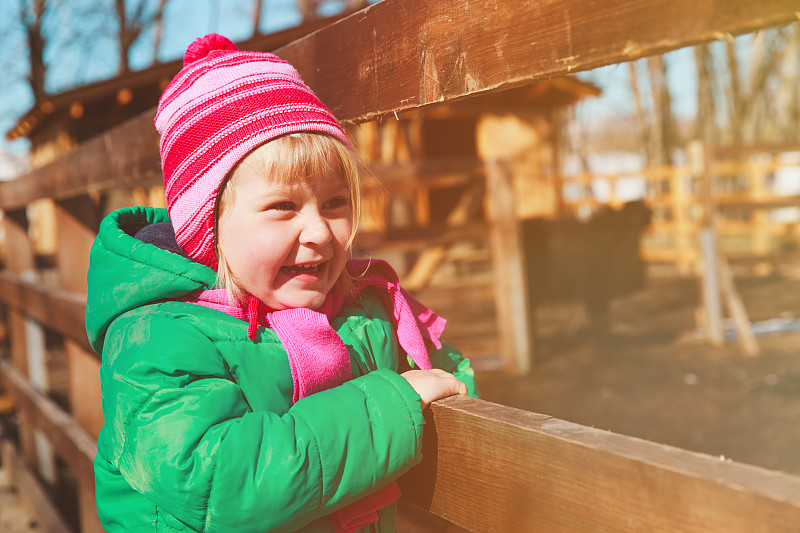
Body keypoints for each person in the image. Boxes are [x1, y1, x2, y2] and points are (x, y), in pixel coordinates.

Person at [86, 33, 478, 533]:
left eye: (335, 203)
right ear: (208, 226)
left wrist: (461, 398)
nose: (319, 232)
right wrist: (397, 403)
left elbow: (448, 375)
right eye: (283, 207)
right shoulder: (154, 340)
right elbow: (224, 479)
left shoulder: (360, 307)